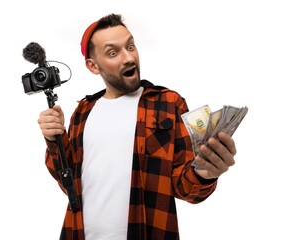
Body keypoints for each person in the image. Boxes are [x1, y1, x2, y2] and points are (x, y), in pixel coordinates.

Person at [37, 13, 236, 240]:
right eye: (113, 53)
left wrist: (206, 173)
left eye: (130, 46)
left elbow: (185, 188)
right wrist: (54, 140)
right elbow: (70, 184)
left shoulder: (169, 103)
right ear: (93, 66)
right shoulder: (83, 111)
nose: (128, 57)